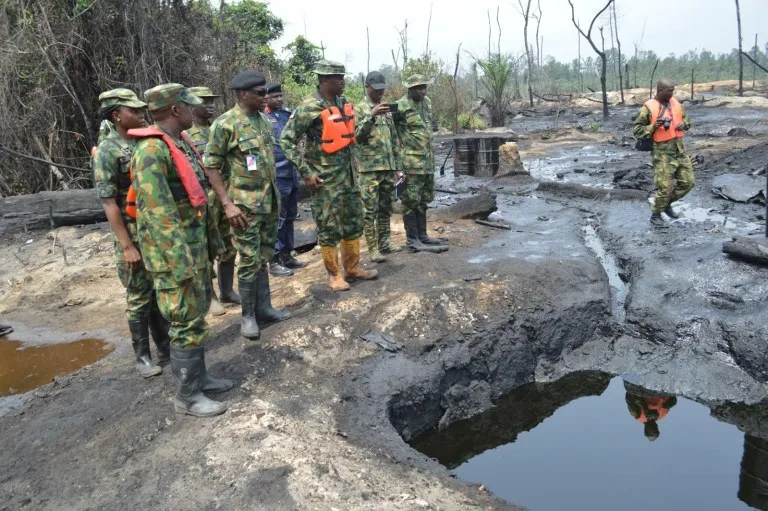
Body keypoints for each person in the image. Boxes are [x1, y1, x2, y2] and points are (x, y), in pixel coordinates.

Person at [131, 83, 233, 417]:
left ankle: (200, 376)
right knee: (185, 321)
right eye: (189, 106)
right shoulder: (151, 151)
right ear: (176, 109)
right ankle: (187, 396)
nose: (194, 110)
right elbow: (157, 215)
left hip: (194, 249)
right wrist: (181, 262)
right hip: (176, 257)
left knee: (196, 316)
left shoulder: (181, 143)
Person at [204, 71, 291, 340]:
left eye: (266, 92)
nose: (265, 96)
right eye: (260, 93)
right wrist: (227, 204)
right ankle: (248, 316)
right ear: (243, 94)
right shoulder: (225, 124)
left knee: (264, 255)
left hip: (268, 201)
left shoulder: (264, 122)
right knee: (249, 260)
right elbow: (211, 166)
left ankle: (265, 308)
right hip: (244, 207)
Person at [281, 60, 378, 292]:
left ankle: (352, 267)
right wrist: (306, 173)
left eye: (343, 76)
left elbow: (352, 136)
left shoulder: (343, 103)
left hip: (349, 177)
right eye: (338, 78)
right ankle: (334, 275)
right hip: (325, 181)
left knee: (354, 222)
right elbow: (286, 140)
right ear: (325, 81)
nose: (343, 81)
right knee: (329, 227)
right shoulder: (309, 106)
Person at [92, 88, 169, 379]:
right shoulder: (108, 151)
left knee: (158, 289)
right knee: (139, 295)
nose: (139, 114)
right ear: (116, 116)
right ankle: (143, 357)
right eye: (133, 111)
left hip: (153, 230)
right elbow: (108, 202)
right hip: (132, 233)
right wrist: (127, 246)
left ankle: (165, 346)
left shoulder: (143, 141)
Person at [184, 86, 239, 317]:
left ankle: (227, 290)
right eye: (204, 101)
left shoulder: (218, 127)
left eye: (212, 100)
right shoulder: (186, 135)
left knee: (228, 244)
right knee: (206, 248)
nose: (210, 104)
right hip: (202, 198)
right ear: (191, 105)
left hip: (224, 193)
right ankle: (211, 296)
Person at [392, 75, 448, 253]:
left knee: (424, 199)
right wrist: (397, 165)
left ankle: (423, 236)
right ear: (409, 89)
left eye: (424, 87)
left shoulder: (427, 103)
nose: (422, 91)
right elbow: (391, 134)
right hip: (410, 163)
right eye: (418, 88)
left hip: (427, 161)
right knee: (410, 201)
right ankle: (412, 240)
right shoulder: (399, 106)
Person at [353, 70, 405, 263]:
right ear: (367, 87)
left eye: (382, 90)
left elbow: (393, 139)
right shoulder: (359, 109)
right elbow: (356, 137)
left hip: (387, 167)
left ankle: (385, 243)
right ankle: (373, 249)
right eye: (376, 90)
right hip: (369, 169)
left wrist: (398, 167)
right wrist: (371, 116)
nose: (380, 93)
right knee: (369, 210)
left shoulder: (386, 108)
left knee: (385, 207)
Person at [633, 79, 695, 227]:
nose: (672, 93)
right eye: (669, 91)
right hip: (662, 152)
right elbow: (637, 131)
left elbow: (687, 119)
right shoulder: (648, 108)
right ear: (660, 90)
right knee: (665, 187)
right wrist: (653, 126)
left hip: (679, 149)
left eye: (673, 90)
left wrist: (684, 124)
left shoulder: (675, 103)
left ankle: (666, 204)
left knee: (688, 182)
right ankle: (655, 215)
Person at [263, 82, 306, 275]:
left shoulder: (288, 115)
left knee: (290, 216)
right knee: (277, 219)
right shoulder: (263, 118)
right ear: (266, 98)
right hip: (276, 175)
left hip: (291, 171)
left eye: (281, 96)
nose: (279, 99)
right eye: (275, 97)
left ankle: (287, 255)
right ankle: (274, 259)